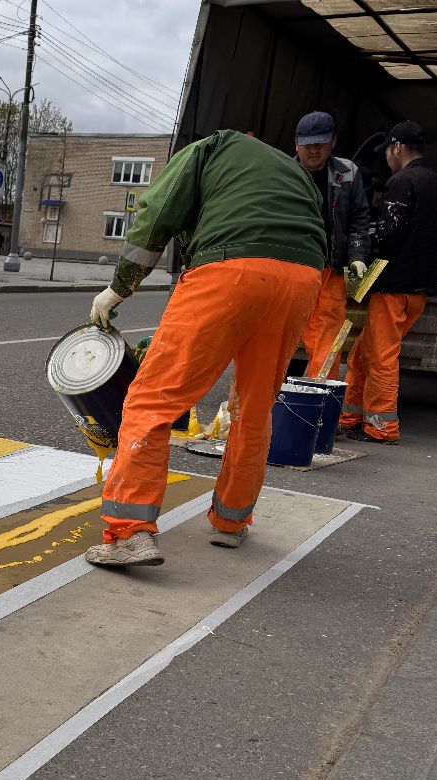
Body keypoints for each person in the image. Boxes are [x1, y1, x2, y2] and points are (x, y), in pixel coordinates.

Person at [85, 130, 326, 567]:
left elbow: (157, 213)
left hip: (231, 271)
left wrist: (119, 288)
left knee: (152, 400)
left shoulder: (210, 148)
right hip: (303, 279)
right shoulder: (293, 172)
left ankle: (128, 534)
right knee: (255, 406)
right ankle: (232, 522)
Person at [340, 121, 437, 442]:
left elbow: (389, 234)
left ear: (397, 147)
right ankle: (350, 416)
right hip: (420, 287)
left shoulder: (402, 182)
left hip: (394, 285)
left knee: (382, 356)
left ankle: (382, 427)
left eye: (387, 149)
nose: (386, 156)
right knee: (362, 351)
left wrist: (360, 248)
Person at [293, 111, 370, 377]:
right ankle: (264, 405)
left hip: (330, 272)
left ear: (332, 142)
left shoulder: (347, 173)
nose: (313, 150)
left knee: (328, 344)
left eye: (320, 144)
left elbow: (359, 218)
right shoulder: (284, 174)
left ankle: (316, 403)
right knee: (274, 340)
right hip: (292, 271)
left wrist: (358, 255)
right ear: (296, 144)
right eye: (307, 145)